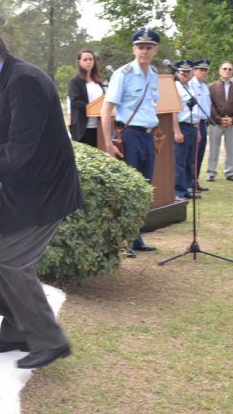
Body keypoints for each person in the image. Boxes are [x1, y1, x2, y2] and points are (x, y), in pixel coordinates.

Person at [0, 23, 82, 370]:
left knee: (10, 261)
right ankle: (16, 330)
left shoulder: (26, 81)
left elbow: (18, 150)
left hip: (45, 190)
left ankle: (50, 339)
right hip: (20, 189)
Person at [100, 28, 161, 255]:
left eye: (149, 47)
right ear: (133, 49)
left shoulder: (154, 74)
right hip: (130, 135)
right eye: (140, 47)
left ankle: (136, 237)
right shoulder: (123, 74)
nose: (144, 52)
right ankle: (124, 242)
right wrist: (108, 142)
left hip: (148, 135)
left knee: (144, 187)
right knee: (129, 188)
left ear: (155, 50)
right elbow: (106, 110)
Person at [205, 61, 233, 182]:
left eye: (229, 69)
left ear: (232, 72)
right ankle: (211, 172)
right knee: (213, 149)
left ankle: (229, 172)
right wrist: (219, 119)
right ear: (220, 71)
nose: (227, 71)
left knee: (230, 149)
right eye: (225, 68)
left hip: (232, 123)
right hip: (216, 123)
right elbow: (209, 105)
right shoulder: (212, 86)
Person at [172, 60, 200, 200]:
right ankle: (178, 191)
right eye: (183, 73)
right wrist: (176, 131)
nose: (186, 75)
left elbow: (196, 111)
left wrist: (198, 130)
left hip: (193, 126)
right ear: (177, 73)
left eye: (188, 72)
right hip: (182, 126)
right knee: (180, 161)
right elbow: (174, 112)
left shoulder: (192, 86)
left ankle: (187, 187)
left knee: (190, 160)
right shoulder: (175, 87)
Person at [68, 49, 105, 146]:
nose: (88, 62)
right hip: (83, 128)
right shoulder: (75, 80)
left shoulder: (98, 80)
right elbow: (75, 101)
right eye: (85, 60)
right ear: (79, 62)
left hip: (99, 127)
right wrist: (92, 108)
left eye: (91, 59)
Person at [189, 59, 212, 194]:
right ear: (194, 71)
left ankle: (195, 181)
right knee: (193, 154)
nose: (203, 72)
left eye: (205, 70)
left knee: (200, 154)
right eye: (200, 69)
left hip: (203, 123)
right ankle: (190, 182)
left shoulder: (204, 86)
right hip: (194, 123)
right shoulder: (191, 85)